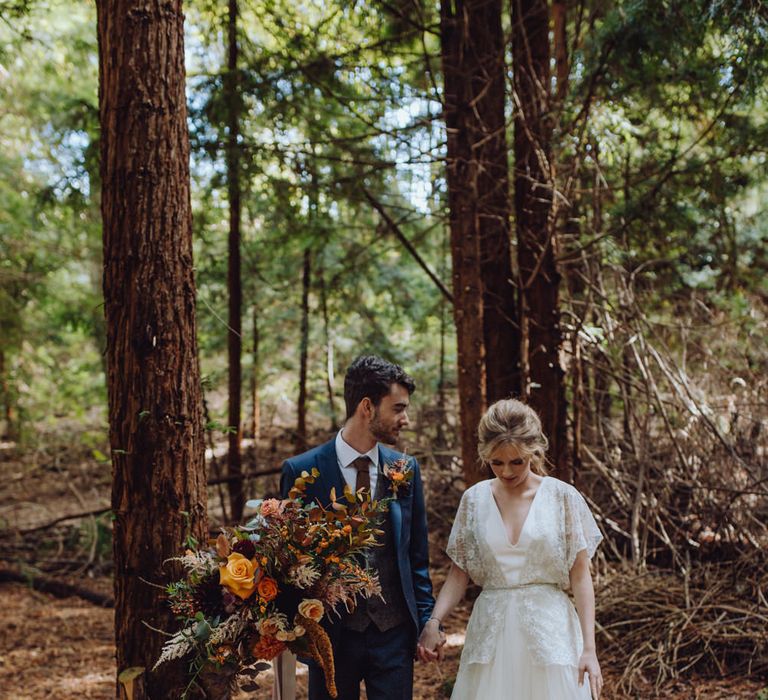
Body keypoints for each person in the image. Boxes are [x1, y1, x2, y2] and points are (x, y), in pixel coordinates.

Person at [417, 399, 603, 699]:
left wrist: (589, 650)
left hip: (551, 633)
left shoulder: (562, 497)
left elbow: (581, 576)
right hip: (492, 634)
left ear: (534, 451)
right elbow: (458, 573)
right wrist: (434, 622)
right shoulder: (474, 500)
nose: (506, 471)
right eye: (496, 462)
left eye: (517, 461)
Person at [280, 355, 436, 700]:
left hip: (393, 634)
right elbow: (289, 563)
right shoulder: (302, 470)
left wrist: (427, 622)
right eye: (397, 408)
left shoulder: (405, 469)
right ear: (367, 406)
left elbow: (416, 557)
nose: (405, 419)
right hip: (332, 638)